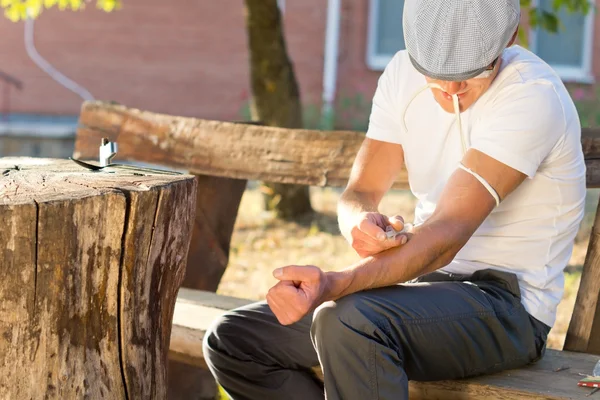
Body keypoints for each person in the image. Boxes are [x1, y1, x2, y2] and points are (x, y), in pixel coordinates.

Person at [203, 0, 586, 399]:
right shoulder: (402, 74)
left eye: (473, 73)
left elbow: (444, 235)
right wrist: (360, 223)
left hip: (507, 306)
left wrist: (336, 283)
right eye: (436, 75)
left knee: (346, 322)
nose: (451, 90)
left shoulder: (531, 96)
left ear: (510, 37)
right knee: (233, 340)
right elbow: (361, 191)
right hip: (421, 290)